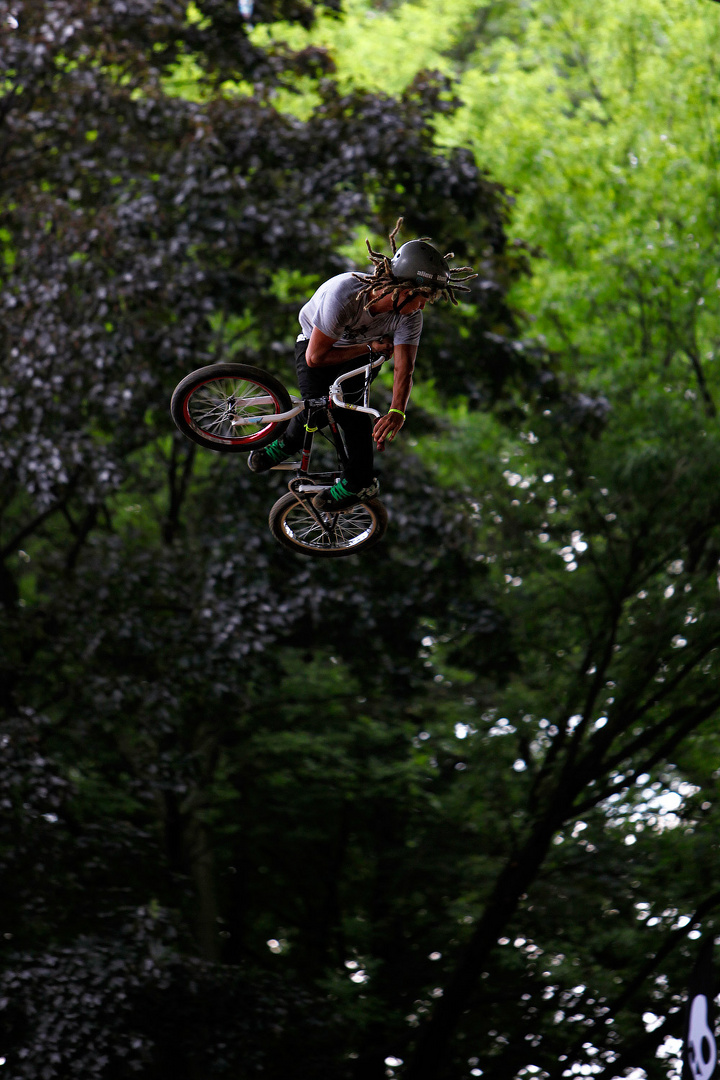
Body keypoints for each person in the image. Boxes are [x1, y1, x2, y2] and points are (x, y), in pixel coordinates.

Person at [247, 219, 476, 511]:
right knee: (316, 407)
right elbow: (316, 358)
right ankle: (287, 443)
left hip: (364, 355)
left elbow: (404, 368)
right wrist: (369, 346)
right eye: (421, 298)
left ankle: (359, 483)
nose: (422, 307)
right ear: (402, 289)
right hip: (316, 345)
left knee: (350, 413)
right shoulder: (345, 294)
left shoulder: (409, 317)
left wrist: (397, 411)